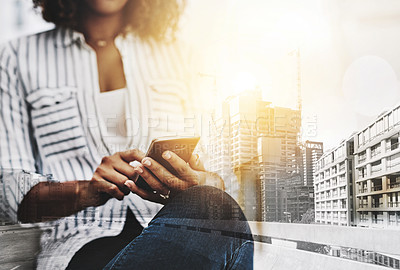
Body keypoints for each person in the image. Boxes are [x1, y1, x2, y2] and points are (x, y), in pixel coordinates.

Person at [0, 0, 254, 269]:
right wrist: (86, 190)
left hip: (175, 237)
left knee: (216, 207)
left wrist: (202, 182)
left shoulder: (179, 57)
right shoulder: (19, 57)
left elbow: (216, 172)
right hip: (78, 251)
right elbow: (11, 195)